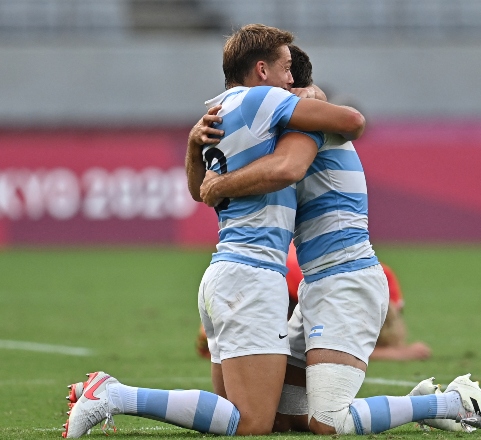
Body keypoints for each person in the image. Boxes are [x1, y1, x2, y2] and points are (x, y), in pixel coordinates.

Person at [62, 24, 367, 438]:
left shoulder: (217, 112)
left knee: (234, 415)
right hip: (252, 278)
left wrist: (192, 150)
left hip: (223, 273)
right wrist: (314, 97)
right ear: (261, 70)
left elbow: (197, 191)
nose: (291, 80)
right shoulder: (263, 99)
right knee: (252, 423)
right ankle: (116, 395)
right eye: (286, 68)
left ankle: (114, 395)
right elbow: (351, 120)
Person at [193, 43, 481, 435]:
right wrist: (196, 146)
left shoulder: (304, 126)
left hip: (348, 279)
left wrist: (220, 184)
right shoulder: (281, 124)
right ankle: (422, 406)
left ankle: (451, 402)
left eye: (290, 76)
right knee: (278, 416)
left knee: (328, 421)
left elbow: (289, 167)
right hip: (319, 285)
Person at [196, 243, 432, 362]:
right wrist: (399, 353)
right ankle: (223, 327)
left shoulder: (380, 279)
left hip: (267, 265)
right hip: (277, 277)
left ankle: (222, 326)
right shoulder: (371, 286)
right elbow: (330, 348)